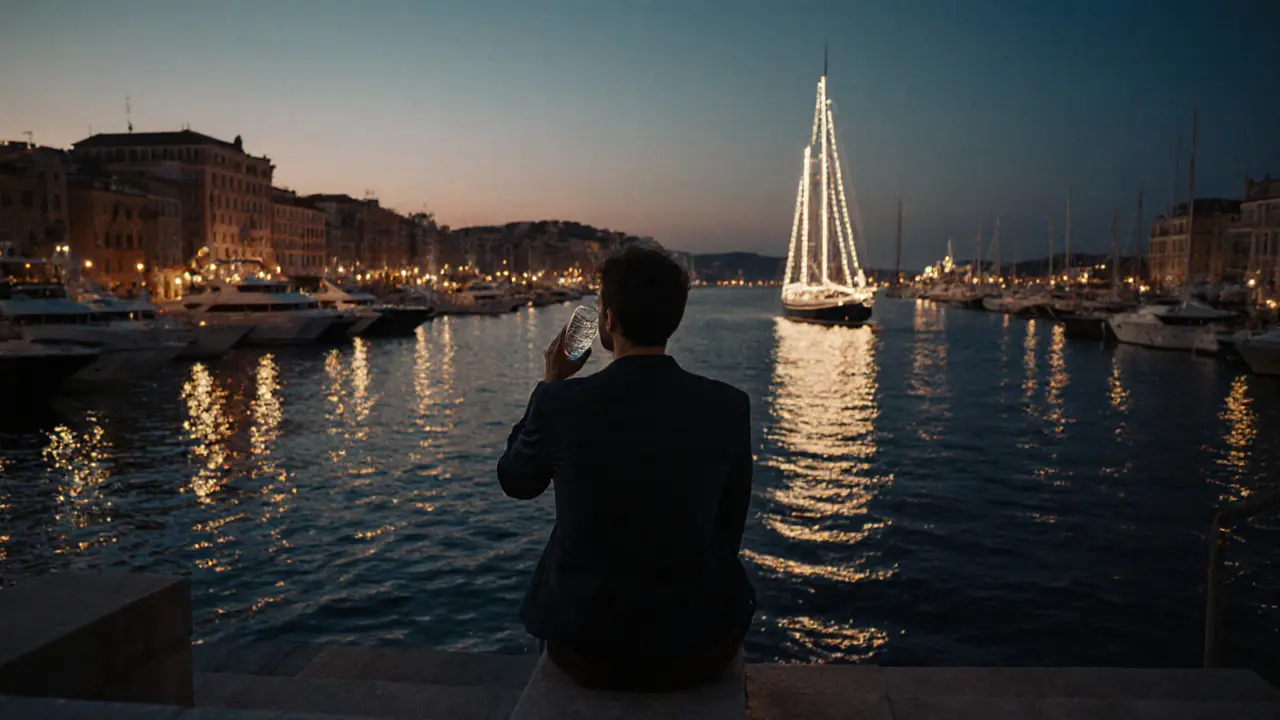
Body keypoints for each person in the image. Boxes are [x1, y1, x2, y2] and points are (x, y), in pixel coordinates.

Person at [498, 246, 755, 691]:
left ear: (609, 320)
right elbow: (728, 531)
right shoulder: (729, 406)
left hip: (585, 649)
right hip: (696, 647)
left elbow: (516, 480)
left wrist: (550, 383)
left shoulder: (562, 404)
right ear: (673, 318)